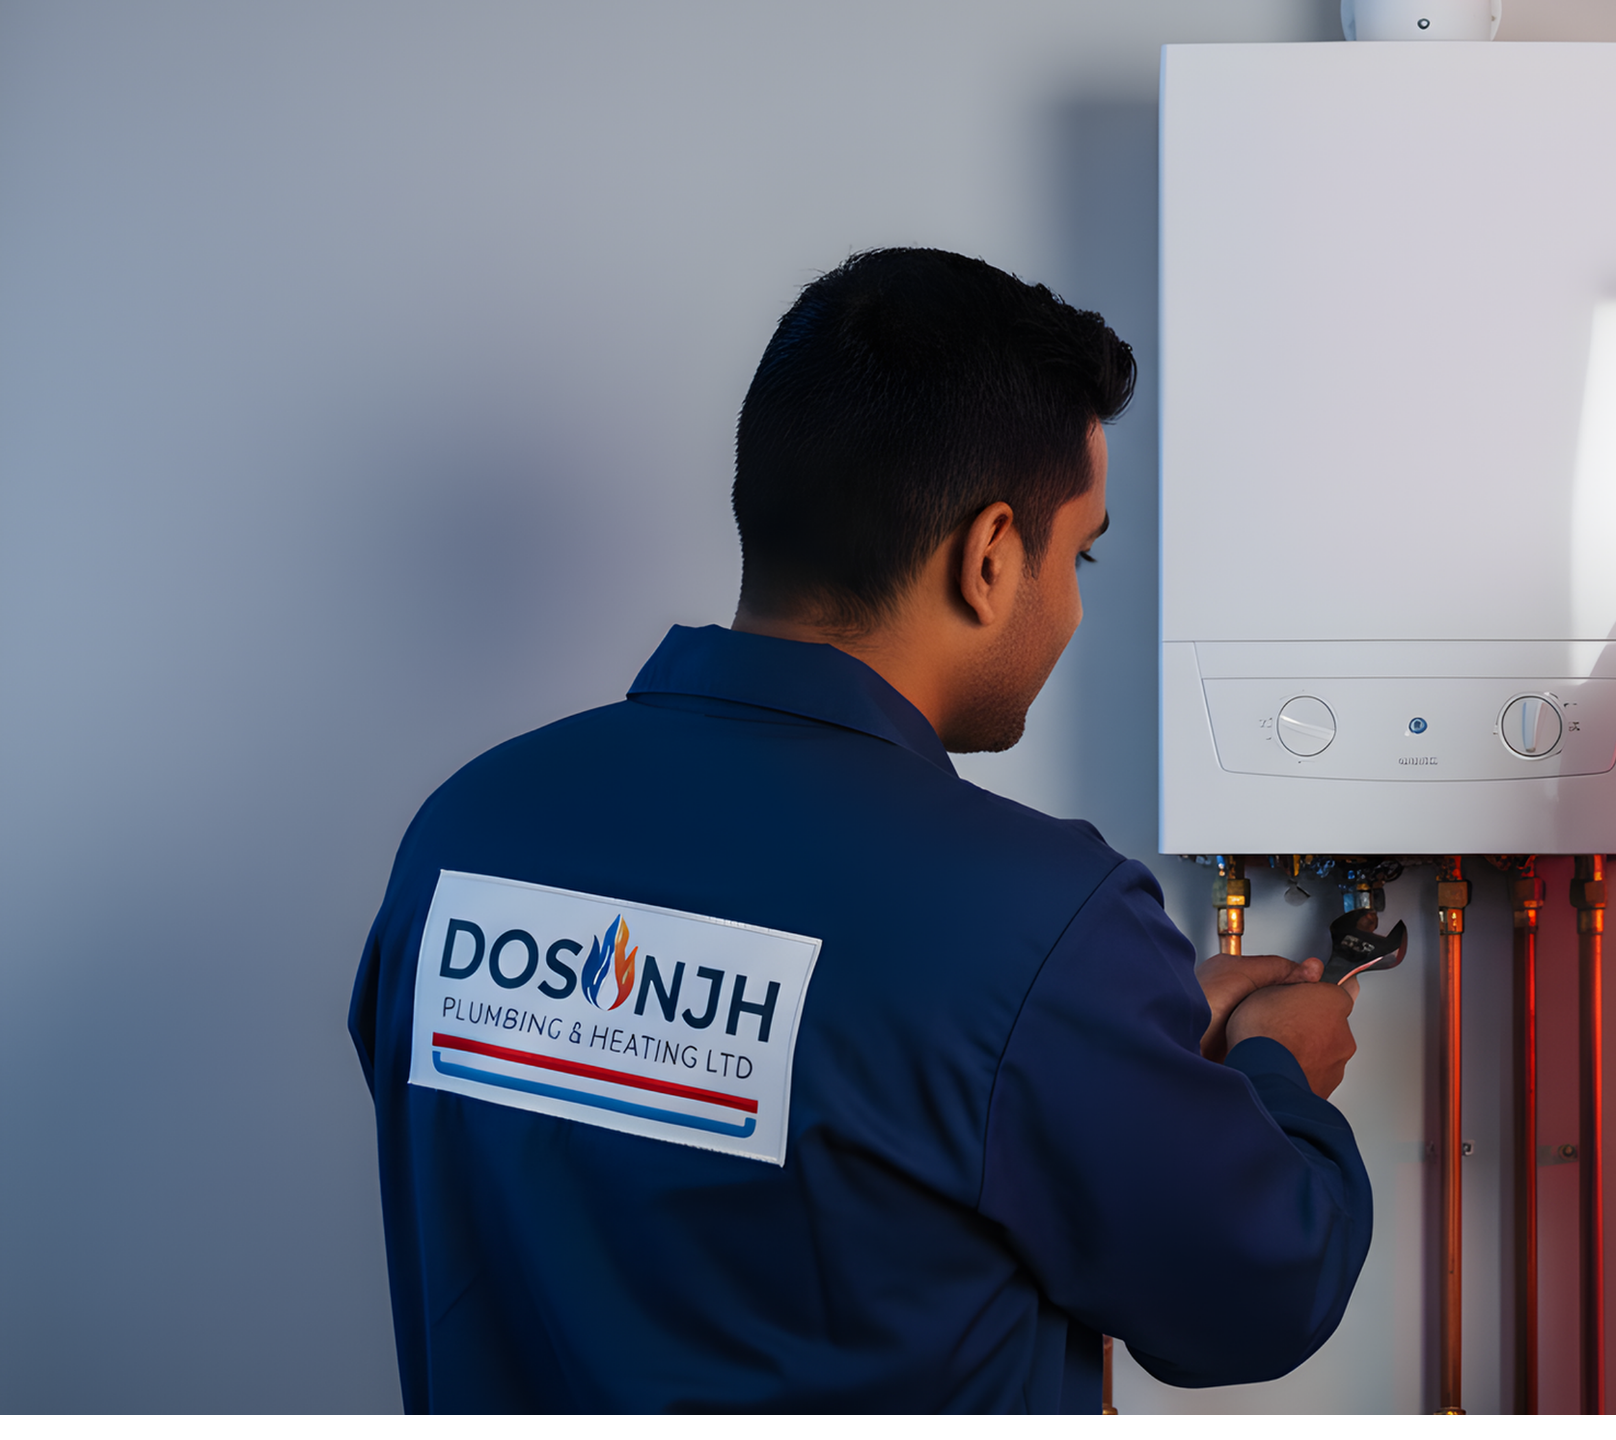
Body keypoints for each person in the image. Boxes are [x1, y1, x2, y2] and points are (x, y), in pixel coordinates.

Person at [347, 247, 1371, 1412]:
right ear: (990, 558)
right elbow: (1257, 1292)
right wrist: (1273, 1068)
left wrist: (1116, 1046)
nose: (1076, 605)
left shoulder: (466, 833)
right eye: (1078, 553)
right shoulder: (1036, 922)